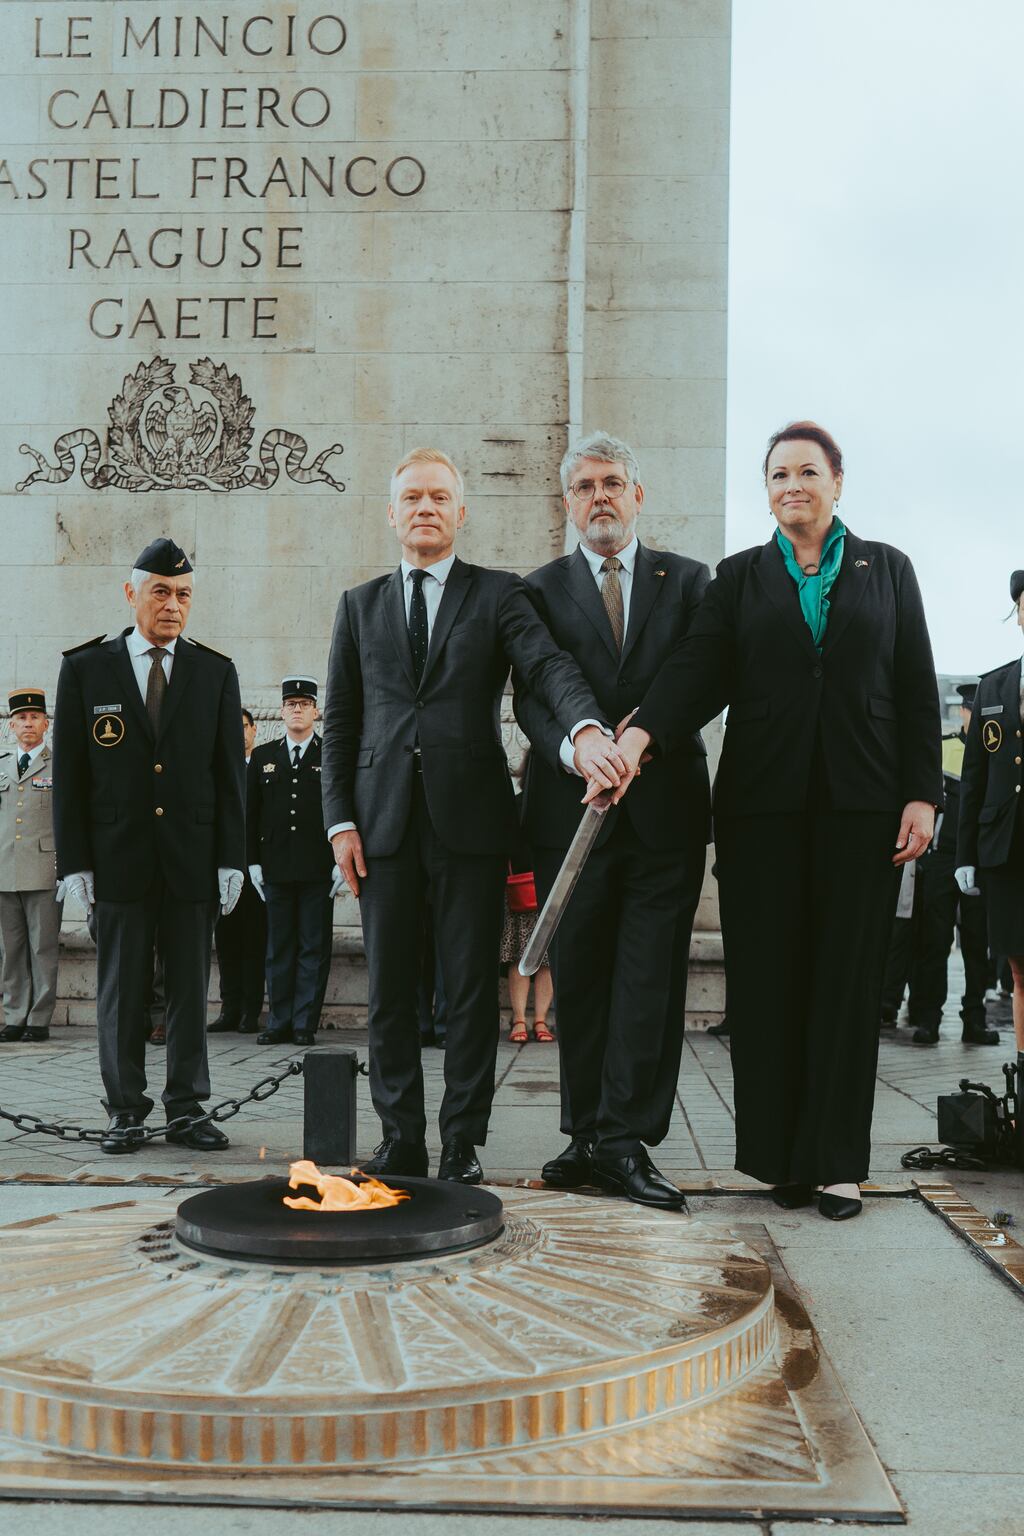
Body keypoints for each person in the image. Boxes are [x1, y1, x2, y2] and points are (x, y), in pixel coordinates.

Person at [606, 421, 942, 1220]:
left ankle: (835, 1165)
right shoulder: (743, 575)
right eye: (777, 474)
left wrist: (922, 793)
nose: (791, 485)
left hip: (861, 808)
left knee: (845, 983)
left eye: (806, 472)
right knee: (768, 983)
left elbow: (916, 686)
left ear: (836, 482)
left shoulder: (887, 569)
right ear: (767, 490)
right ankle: (779, 1160)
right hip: (761, 810)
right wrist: (643, 732)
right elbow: (697, 669)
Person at [321, 446, 626, 1184]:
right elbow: (341, 722)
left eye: (439, 498)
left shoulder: (496, 595)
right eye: (412, 498)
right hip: (383, 825)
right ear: (392, 515)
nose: (425, 509)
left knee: (466, 991)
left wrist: (585, 729)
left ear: (461, 512)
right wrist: (339, 823)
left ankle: (460, 1141)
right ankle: (400, 1140)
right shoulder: (359, 606)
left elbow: (548, 665)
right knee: (388, 991)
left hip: (472, 826)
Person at [514, 431, 710, 1210]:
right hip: (571, 814)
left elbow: (701, 671)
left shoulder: (691, 582)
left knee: (647, 980)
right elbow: (535, 689)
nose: (600, 495)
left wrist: (640, 737)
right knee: (585, 976)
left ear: (638, 494)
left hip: (664, 813)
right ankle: (585, 1135)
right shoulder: (538, 589)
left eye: (614, 482)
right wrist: (580, 744)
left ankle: (628, 1140)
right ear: (568, 502)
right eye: (585, 485)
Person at [52, 538, 246, 1154]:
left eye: (183, 594)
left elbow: (228, 776)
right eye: (160, 591)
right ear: (131, 592)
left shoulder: (214, 672)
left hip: (190, 858)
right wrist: (75, 861)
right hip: (118, 858)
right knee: (120, 989)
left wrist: (231, 858)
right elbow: (73, 776)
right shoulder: (86, 669)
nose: (172, 605)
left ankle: (187, 1109)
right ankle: (125, 1111)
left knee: (191, 987)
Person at [956, 569, 1024, 1152]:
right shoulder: (995, 687)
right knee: (1020, 968)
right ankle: (1023, 1082)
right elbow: (974, 777)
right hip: (1007, 852)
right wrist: (966, 856)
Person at [248, 678, 340, 1047]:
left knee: (313, 948)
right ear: (282, 711)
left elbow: (343, 806)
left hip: (319, 867)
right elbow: (250, 815)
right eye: (291, 704)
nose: (297, 709)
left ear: (316, 711)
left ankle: (305, 1022)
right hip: (276, 867)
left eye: (304, 703)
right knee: (279, 947)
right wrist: (252, 862)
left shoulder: (330, 753)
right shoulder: (264, 756)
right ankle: (279, 1019)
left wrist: (339, 860)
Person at [912, 682, 996, 1044]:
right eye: (967, 708)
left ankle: (974, 1019)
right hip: (942, 857)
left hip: (979, 859)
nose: (971, 714)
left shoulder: (996, 754)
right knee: (935, 940)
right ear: (962, 712)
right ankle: (929, 1017)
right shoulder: (942, 749)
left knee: (978, 943)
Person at [0, 688, 63, 1043]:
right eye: (21, 718)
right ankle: (14, 1015)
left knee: (42, 947)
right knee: (10, 950)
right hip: (4, 868)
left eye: (34, 717)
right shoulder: (3, 765)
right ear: (11, 726)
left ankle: (38, 1018)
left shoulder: (60, 765)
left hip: (43, 868)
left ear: (45, 724)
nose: (28, 723)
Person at [210, 707, 267, 1035]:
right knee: (227, 942)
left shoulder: (262, 766)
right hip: (223, 869)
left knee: (254, 942)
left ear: (254, 730)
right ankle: (228, 1008)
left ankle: (250, 1010)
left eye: (244, 726)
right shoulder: (218, 769)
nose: (239, 732)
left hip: (254, 869)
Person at [501, 750, 554, 1045]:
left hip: (521, 889)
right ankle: (538, 1021)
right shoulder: (532, 805)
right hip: (535, 890)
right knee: (541, 961)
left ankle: (523, 1020)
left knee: (522, 959)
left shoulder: (517, 804)